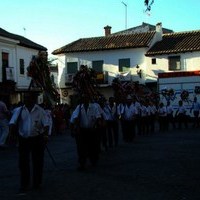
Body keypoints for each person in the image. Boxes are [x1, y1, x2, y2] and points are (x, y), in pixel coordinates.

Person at [9, 91, 49, 194]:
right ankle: (24, 184)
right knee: (23, 163)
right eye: (25, 98)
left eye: (28, 98)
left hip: (37, 138)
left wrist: (45, 135)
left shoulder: (40, 111)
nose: (26, 100)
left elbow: (46, 124)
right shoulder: (18, 110)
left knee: (38, 162)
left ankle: (37, 182)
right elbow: (12, 122)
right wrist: (12, 131)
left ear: (34, 99)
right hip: (24, 139)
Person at [70, 94, 101, 171]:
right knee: (81, 148)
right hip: (82, 131)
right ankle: (82, 163)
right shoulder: (79, 107)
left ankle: (93, 160)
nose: (85, 100)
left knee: (93, 147)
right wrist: (73, 129)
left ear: (89, 99)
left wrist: (95, 126)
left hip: (92, 130)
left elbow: (98, 118)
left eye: (86, 98)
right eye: (83, 98)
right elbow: (74, 118)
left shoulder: (94, 107)